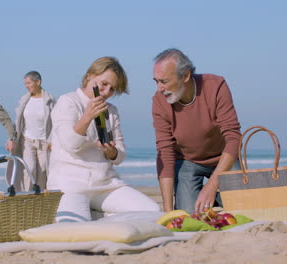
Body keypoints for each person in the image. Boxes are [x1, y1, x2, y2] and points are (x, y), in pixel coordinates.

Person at [47, 56, 160, 222]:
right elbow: (70, 144)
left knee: (152, 210)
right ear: (90, 76)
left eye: (113, 89)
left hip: (105, 184)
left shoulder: (111, 111)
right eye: (104, 84)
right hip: (70, 184)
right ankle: (94, 216)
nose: (107, 92)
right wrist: (87, 117)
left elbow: (120, 156)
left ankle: (98, 215)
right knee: (72, 226)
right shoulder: (68, 101)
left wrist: (112, 152)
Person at [152, 48, 241, 214]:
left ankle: (213, 199)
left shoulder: (216, 86)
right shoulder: (159, 101)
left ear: (185, 76)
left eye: (164, 81)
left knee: (244, 206)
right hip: (187, 162)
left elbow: (233, 137)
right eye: (156, 81)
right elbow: (165, 152)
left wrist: (212, 186)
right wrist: (168, 210)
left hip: (223, 158)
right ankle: (205, 201)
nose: (159, 88)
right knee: (189, 213)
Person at [9, 71, 55, 192]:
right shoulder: (25, 99)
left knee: (43, 171)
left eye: (29, 83)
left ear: (38, 82)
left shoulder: (50, 100)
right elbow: (18, 121)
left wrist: (53, 141)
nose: (26, 86)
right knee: (30, 169)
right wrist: (12, 138)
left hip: (44, 142)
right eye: (25, 83)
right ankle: (27, 195)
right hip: (27, 140)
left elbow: (56, 122)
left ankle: (38, 197)